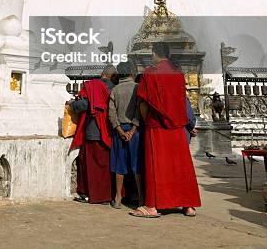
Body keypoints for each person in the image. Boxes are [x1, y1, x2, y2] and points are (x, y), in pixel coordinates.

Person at [130, 43, 201, 218]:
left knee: (156, 166)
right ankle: (188, 205)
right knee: (181, 165)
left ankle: (152, 207)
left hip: (157, 127)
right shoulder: (178, 74)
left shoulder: (150, 73)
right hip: (177, 127)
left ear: (154, 54)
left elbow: (144, 102)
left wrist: (148, 121)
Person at [69, 65, 117, 204]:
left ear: (102, 74)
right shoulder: (115, 88)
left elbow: (82, 105)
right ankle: (107, 196)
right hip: (111, 131)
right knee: (106, 167)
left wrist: (72, 104)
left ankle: (92, 194)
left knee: (90, 165)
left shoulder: (93, 86)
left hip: (94, 131)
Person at [108, 61, 142, 209]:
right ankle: (141, 198)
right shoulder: (137, 88)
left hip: (119, 131)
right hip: (135, 131)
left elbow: (111, 113)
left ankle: (118, 198)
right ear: (131, 73)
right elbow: (139, 110)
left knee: (119, 165)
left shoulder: (115, 90)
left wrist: (120, 130)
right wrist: (133, 130)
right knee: (137, 165)